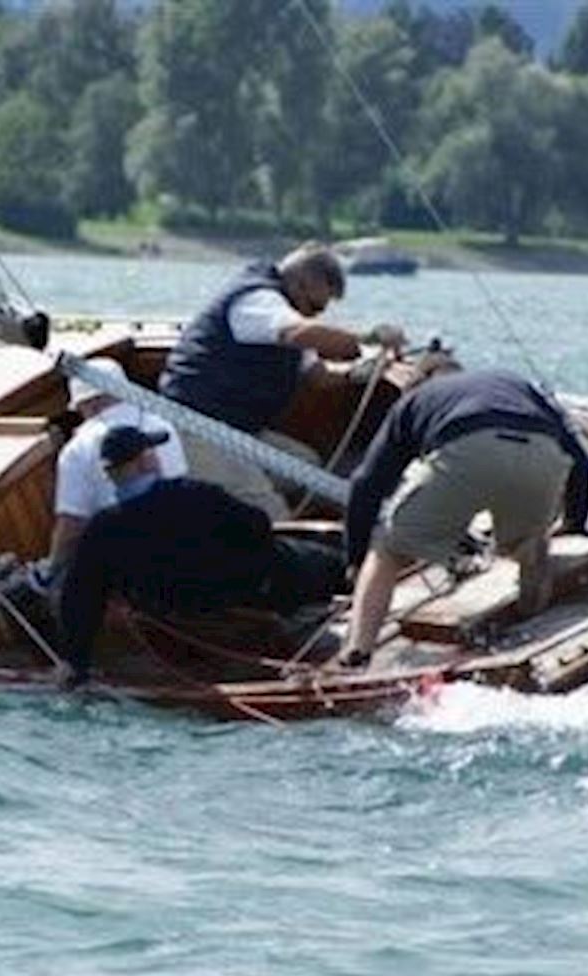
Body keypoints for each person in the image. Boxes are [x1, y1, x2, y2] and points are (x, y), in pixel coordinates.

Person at [336, 353, 588, 669]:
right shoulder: (512, 382)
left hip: (467, 448)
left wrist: (355, 558)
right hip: (541, 453)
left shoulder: (415, 399)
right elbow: (579, 459)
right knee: (529, 548)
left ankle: (357, 652)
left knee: (388, 551)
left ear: (417, 381)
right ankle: (531, 629)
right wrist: (575, 522)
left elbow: (367, 482)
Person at [55, 426, 348, 687]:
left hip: (180, 616)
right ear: (145, 462)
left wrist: (74, 663)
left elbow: (80, 597)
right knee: (332, 560)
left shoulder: (102, 531)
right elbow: (257, 526)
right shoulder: (197, 496)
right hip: (255, 593)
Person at [159, 241, 404, 520]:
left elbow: (319, 376)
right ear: (299, 284)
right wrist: (366, 337)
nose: (314, 315)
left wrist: (363, 371)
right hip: (196, 428)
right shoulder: (259, 302)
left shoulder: (288, 318)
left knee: (307, 468)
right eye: (314, 306)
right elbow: (298, 332)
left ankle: (227, 504)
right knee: (272, 516)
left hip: (238, 429)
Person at [43, 358, 187, 581]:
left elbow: (71, 526)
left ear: (86, 404)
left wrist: (49, 572)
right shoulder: (163, 425)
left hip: (132, 568)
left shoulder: (77, 450)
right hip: (182, 546)